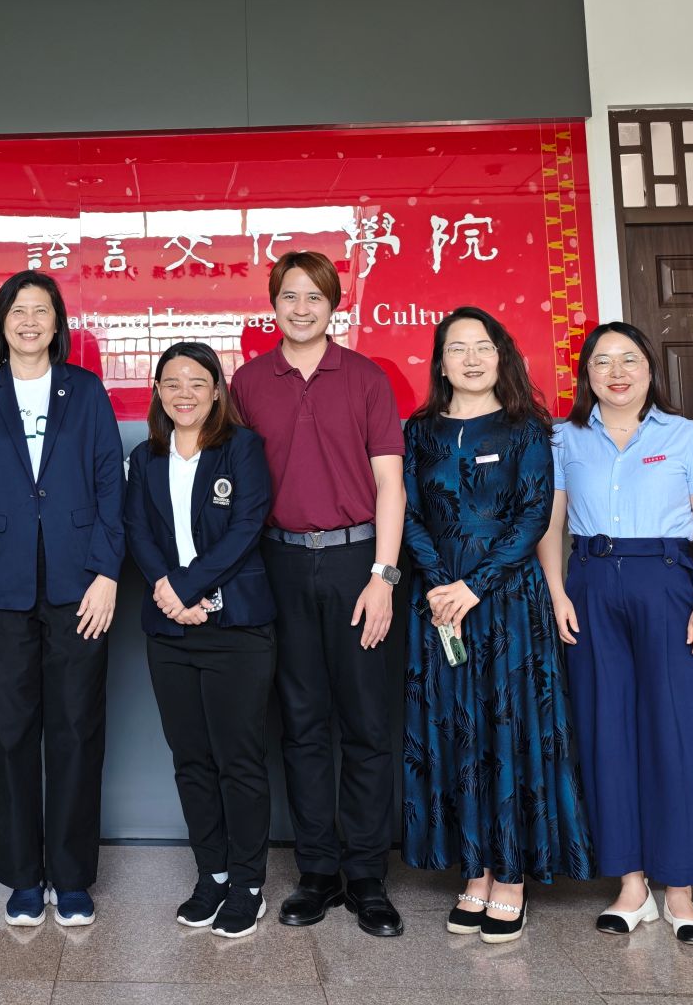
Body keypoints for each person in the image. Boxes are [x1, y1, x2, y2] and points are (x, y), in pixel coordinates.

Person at [229, 250, 406, 938]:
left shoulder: (365, 377)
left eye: (315, 297)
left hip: (358, 561)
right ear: (273, 303)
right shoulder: (249, 382)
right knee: (301, 724)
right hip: (277, 562)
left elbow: (390, 483)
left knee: (366, 723)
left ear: (335, 305)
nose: (301, 309)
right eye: (289, 296)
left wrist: (384, 576)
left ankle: (366, 875)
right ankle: (317, 872)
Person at [403, 307, 591, 942]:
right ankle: (475, 870)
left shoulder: (527, 429)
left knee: (507, 729)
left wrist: (472, 586)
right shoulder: (418, 431)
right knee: (457, 730)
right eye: (457, 348)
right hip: (439, 604)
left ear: (501, 355)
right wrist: (439, 584)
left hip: (507, 602)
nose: (471, 359)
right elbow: (408, 512)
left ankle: (511, 877)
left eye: (483, 346)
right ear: (441, 363)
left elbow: (535, 515)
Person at [0, 270, 124, 928]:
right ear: (1, 322)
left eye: (40, 310)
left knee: (77, 730)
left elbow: (110, 488)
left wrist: (107, 574)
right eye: (17, 310)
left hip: (80, 588)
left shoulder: (87, 391)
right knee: (11, 732)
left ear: (57, 323)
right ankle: (23, 877)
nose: (28, 321)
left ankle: (71, 878)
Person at [539, 323, 693, 944]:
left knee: (677, 732)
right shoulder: (564, 438)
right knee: (605, 731)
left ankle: (681, 891)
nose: (616, 372)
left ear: (650, 369)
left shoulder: (687, 436)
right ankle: (630, 886)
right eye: (602, 362)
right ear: (586, 375)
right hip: (590, 584)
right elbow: (551, 525)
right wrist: (558, 592)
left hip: (668, 584)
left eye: (629, 360)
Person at [124, 342, 278, 940]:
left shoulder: (242, 448)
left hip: (236, 627)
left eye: (196, 382)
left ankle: (248, 884)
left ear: (217, 390)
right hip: (170, 631)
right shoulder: (145, 457)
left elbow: (246, 527)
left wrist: (185, 587)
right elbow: (137, 530)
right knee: (191, 759)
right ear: (158, 392)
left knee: (239, 760)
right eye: (171, 383)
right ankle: (211, 874)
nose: (183, 393)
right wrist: (169, 594)